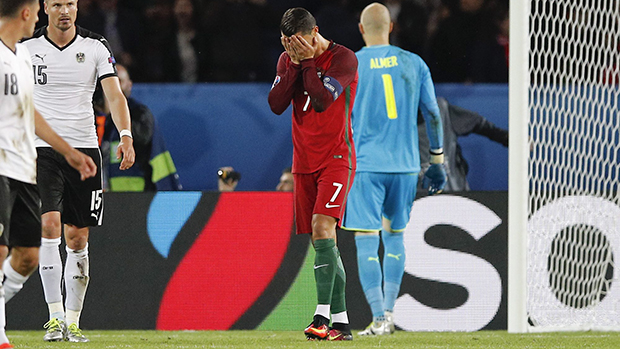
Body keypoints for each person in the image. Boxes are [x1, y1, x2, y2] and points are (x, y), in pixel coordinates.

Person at [20, 0, 136, 342]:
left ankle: (73, 320)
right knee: (49, 224)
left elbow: (114, 96)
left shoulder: (96, 46)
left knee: (78, 236)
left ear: (77, 7)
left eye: (70, 3)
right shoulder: (27, 49)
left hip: (84, 150)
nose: (64, 10)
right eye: (57, 4)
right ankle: (54, 317)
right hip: (42, 149)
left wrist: (125, 135)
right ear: (45, 8)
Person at [341, 3, 446, 336]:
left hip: (367, 167)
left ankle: (379, 319)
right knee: (395, 238)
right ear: (393, 27)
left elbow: (337, 122)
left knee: (367, 240)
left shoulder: (351, 64)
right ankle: (388, 311)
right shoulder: (413, 63)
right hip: (405, 166)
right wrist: (437, 162)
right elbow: (432, 114)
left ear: (361, 29)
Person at [0, 0, 97, 347]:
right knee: (5, 251)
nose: (43, 17)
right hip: (5, 165)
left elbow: (32, 116)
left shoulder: (22, 57)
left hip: (23, 166)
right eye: (42, 9)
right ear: (28, 12)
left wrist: (69, 152)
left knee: (26, 257)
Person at [268, 7, 358, 341]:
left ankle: (321, 317)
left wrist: (305, 62)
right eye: (287, 43)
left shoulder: (344, 59)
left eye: (299, 42)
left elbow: (320, 100)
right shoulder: (287, 59)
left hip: (336, 157)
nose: (293, 48)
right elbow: (276, 103)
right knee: (324, 243)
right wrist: (293, 62)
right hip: (303, 161)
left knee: (323, 228)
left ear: (315, 32)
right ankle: (343, 323)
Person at [100, 64, 182, 191]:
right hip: (114, 195)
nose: (115, 86)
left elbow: (143, 137)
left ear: (129, 85)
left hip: (140, 192)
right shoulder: (105, 118)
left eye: (120, 81)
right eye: (112, 81)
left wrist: (121, 120)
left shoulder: (139, 112)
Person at [418, 97, 508, 192]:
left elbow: (480, 125)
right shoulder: (401, 126)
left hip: (456, 197)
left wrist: (505, 137)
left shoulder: (443, 111)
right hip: (417, 201)